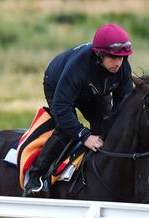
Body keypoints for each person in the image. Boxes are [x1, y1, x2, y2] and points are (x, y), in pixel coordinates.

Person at [23, 23, 134, 197]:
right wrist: (84, 136)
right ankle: (35, 176)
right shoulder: (79, 66)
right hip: (58, 84)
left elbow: (123, 107)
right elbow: (62, 107)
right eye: (113, 57)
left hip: (93, 91)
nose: (118, 62)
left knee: (106, 128)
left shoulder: (123, 68)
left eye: (123, 57)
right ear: (100, 55)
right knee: (66, 129)